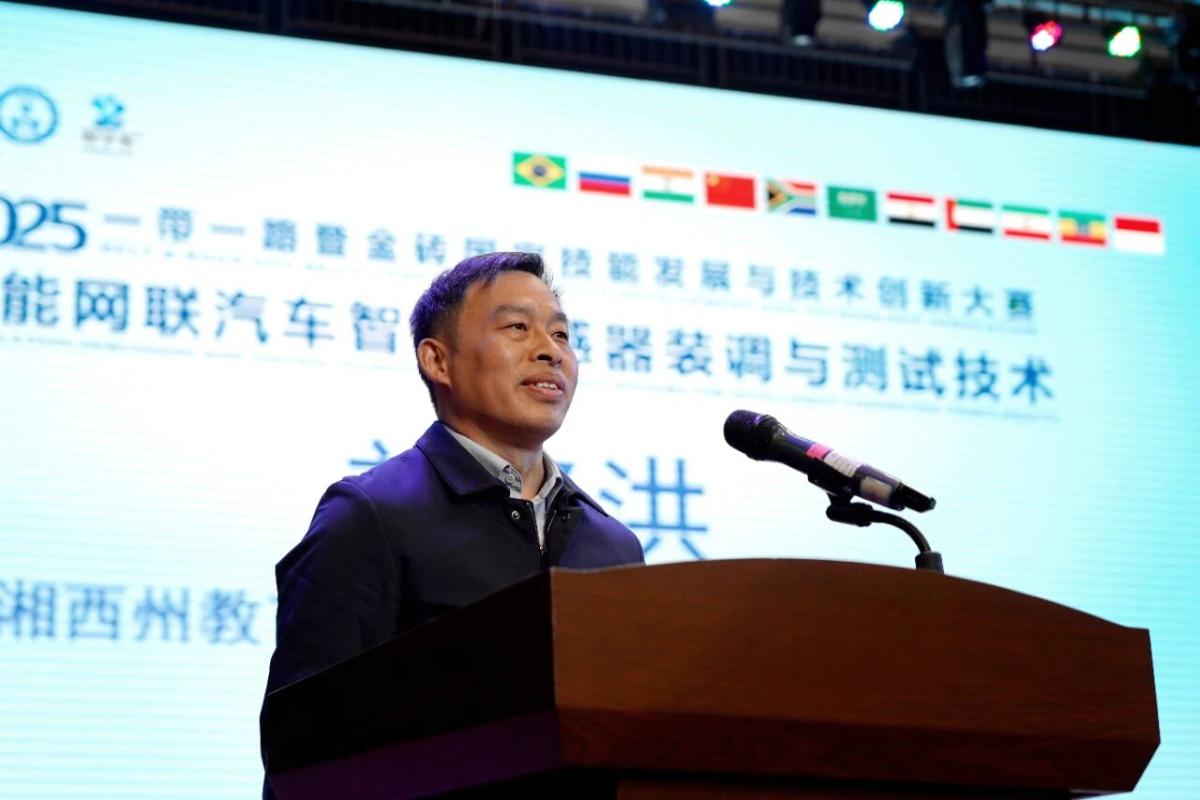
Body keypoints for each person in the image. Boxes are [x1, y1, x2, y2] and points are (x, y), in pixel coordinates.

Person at [260, 251, 644, 797]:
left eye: (561, 334)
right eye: (518, 327)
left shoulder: (612, 544)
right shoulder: (370, 516)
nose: (550, 350)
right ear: (437, 361)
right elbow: (302, 749)